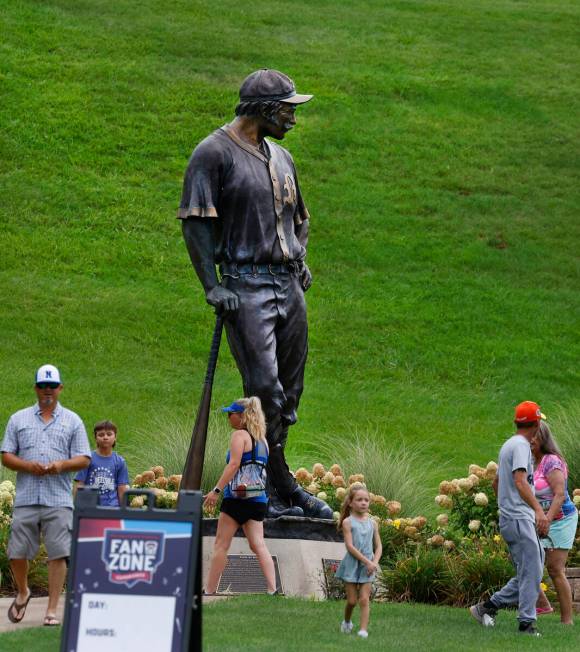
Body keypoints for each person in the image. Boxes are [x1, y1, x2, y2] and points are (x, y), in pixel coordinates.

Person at [178, 68, 331, 519]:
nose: (294, 119)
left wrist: (298, 257)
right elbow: (195, 222)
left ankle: (276, 482)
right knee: (263, 388)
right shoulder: (213, 153)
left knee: (290, 393)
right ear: (265, 109)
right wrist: (212, 285)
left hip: (287, 283)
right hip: (245, 284)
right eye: (289, 109)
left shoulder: (282, 157)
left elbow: (299, 218)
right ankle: (274, 485)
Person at [1, 364, 91, 626]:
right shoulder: (19, 419)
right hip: (27, 497)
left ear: (60, 388)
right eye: (42, 386)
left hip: (58, 499)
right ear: (36, 388)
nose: (47, 391)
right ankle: (23, 591)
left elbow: (84, 458)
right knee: (16, 552)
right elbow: (6, 455)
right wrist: (28, 466)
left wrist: (60, 466)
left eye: (52, 386)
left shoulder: (73, 421)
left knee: (58, 553)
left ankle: (51, 610)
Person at [470, 401, 549, 636]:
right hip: (518, 518)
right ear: (535, 423)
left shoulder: (509, 445)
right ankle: (526, 623)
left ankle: (487, 607)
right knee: (531, 572)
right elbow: (519, 481)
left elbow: (497, 483)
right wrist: (538, 510)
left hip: (513, 517)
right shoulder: (522, 446)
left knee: (532, 571)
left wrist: (506, 506)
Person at [203, 397, 277, 594]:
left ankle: (209, 591)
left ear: (243, 416)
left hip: (235, 499)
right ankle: (273, 589)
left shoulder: (239, 436)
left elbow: (234, 464)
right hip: (258, 499)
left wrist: (216, 490)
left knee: (221, 545)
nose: (229, 418)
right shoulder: (263, 441)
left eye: (231, 414)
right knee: (258, 544)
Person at [532, 421, 578, 624]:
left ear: (543, 438)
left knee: (555, 568)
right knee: (524, 560)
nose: (530, 440)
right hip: (540, 519)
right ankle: (542, 603)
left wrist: (547, 520)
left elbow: (559, 495)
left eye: (534, 436)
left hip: (561, 519)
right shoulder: (528, 460)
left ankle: (567, 621)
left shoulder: (552, 461)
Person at [335, 485, 382, 639]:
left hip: (368, 566)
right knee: (352, 601)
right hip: (352, 564)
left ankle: (363, 630)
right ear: (350, 502)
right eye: (359, 500)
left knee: (364, 599)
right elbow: (350, 546)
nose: (363, 503)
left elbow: (379, 546)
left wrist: (373, 562)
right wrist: (367, 562)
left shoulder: (373, 523)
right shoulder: (347, 522)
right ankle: (347, 622)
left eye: (366, 500)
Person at [74, 420, 130, 507]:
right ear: (95, 438)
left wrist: (124, 512)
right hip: (90, 508)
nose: (105, 437)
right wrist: (76, 507)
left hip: (112, 509)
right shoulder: (87, 459)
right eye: (101, 435)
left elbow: (122, 489)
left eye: (109, 434)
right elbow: (79, 484)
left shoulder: (120, 462)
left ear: (115, 437)